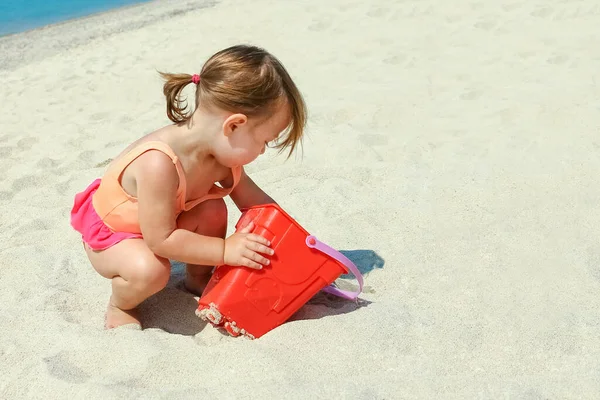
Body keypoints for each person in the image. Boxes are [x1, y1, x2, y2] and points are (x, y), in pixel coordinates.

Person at [70, 44, 307, 329]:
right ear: (233, 126)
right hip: (114, 235)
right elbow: (161, 240)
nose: (263, 151)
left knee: (212, 208)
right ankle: (120, 304)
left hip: (160, 221)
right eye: (264, 141)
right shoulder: (158, 163)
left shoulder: (222, 155)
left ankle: (197, 278)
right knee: (151, 270)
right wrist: (224, 251)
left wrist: (296, 243)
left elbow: (259, 206)